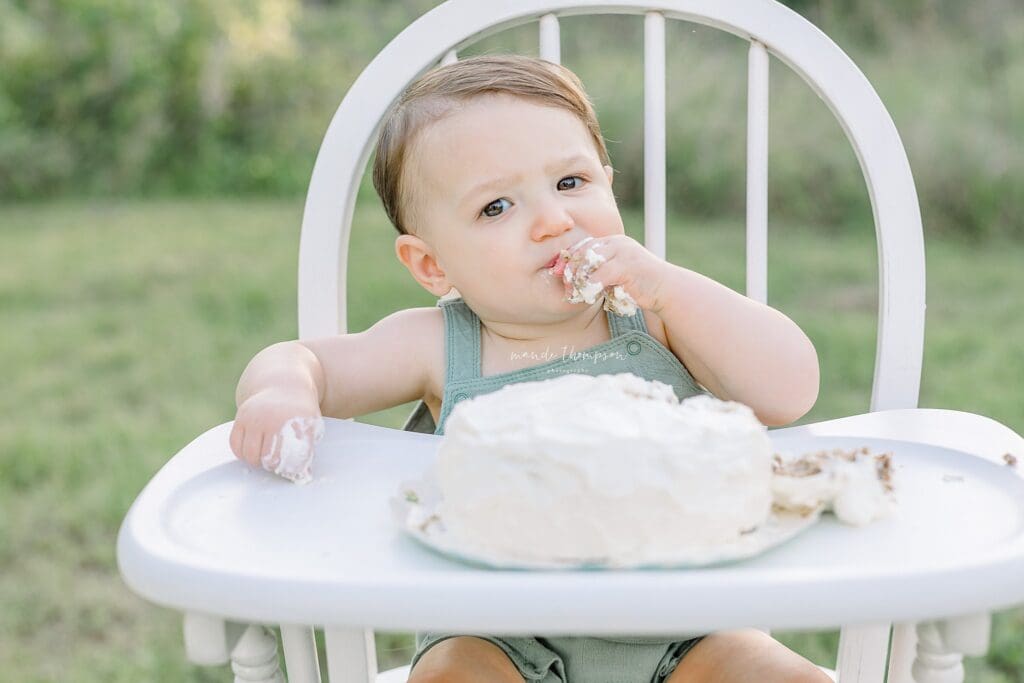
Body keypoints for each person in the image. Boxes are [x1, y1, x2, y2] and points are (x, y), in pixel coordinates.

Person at [230, 53, 826, 683]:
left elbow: (789, 390)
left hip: (685, 621)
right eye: (497, 207)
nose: (553, 221)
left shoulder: (656, 318)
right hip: (493, 629)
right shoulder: (436, 344)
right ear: (432, 265)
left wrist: (671, 287)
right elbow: (304, 360)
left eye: (571, 184)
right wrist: (283, 390)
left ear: (608, 183)